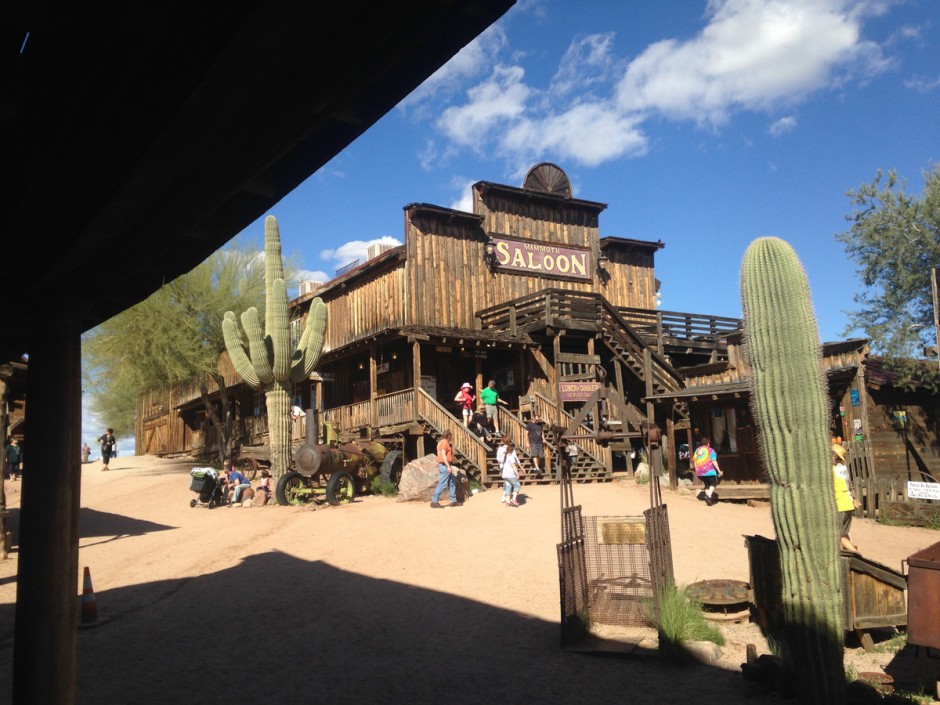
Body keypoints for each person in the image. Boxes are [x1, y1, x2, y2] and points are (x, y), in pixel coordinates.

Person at [833, 443, 860, 552]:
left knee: (838, 536)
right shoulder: (843, 469)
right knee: (845, 533)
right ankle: (849, 553)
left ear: (835, 456)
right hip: (849, 503)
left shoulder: (832, 470)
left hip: (840, 505)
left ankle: (855, 554)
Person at [430, 429, 461, 508]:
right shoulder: (444, 443)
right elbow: (443, 455)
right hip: (444, 465)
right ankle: (434, 501)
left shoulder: (441, 442)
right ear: (448, 435)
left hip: (444, 465)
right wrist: (448, 466)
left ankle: (453, 501)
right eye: (451, 435)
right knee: (442, 484)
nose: (452, 436)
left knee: (452, 483)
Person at [693, 436, 723, 506]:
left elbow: (694, 460)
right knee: (714, 483)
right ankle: (708, 496)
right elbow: (714, 461)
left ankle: (708, 500)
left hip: (700, 471)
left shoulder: (697, 450)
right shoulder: (711, 450)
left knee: (707, 485)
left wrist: (696, 469)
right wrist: (719, 471)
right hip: (709, 470)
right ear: (708, 443)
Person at [497, 437, 523, 506]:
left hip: (504, 474)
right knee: (517, 485)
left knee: (508, 486)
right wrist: (517, 473)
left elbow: (499, 460)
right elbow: (513, 465)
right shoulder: (511, 456)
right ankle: (513, 498)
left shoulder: (504, 454)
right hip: (510, 474)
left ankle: (507, 501)